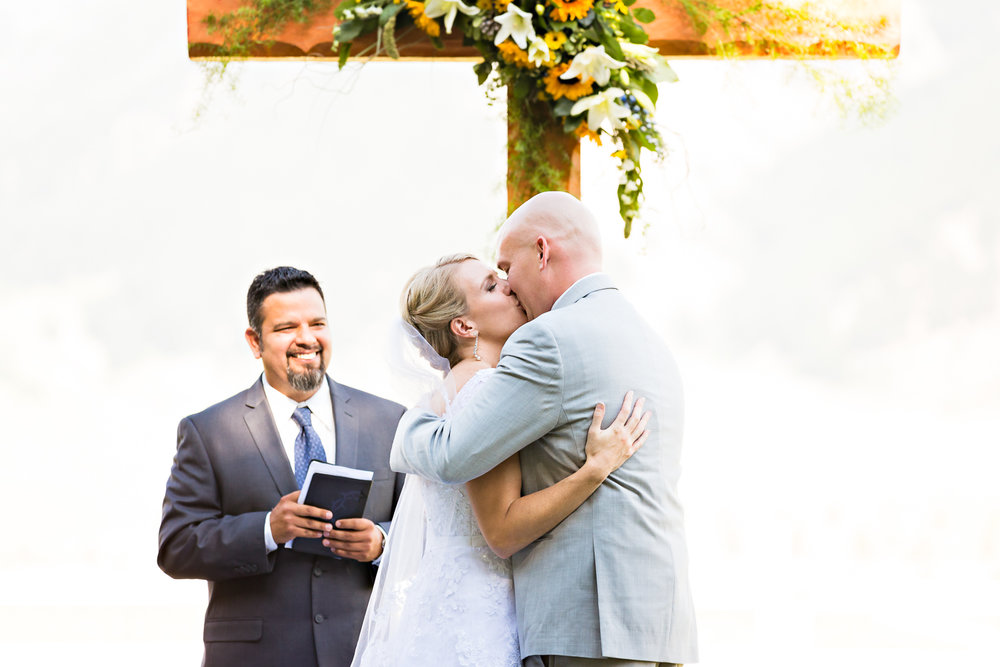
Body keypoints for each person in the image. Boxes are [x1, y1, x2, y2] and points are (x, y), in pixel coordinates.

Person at [392, 192, 699, 667]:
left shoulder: (549, 338)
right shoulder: (646, 338)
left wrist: (406, 430)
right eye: (494, 283)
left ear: (542, 251)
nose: (510, 285)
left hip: (588, 627)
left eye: (505, 269)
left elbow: (452, 456)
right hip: (658, 621)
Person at [352, 254, 650, 667]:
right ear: (464, 326)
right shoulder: (484, 389)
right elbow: (504, 532)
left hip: (443, 602)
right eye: (491, 286)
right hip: (480, 612)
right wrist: (595, 469)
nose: (509, 286)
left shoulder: (444, 395)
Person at [158, 266, 406, 667]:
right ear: (254, 342)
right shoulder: (207, 432)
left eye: (317, 323)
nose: (306, 338)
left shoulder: (390, 421)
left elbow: (427, 530)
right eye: (287, 327)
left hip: (364, 651)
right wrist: (267, 530)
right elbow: (176, 547)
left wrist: (382, 542)